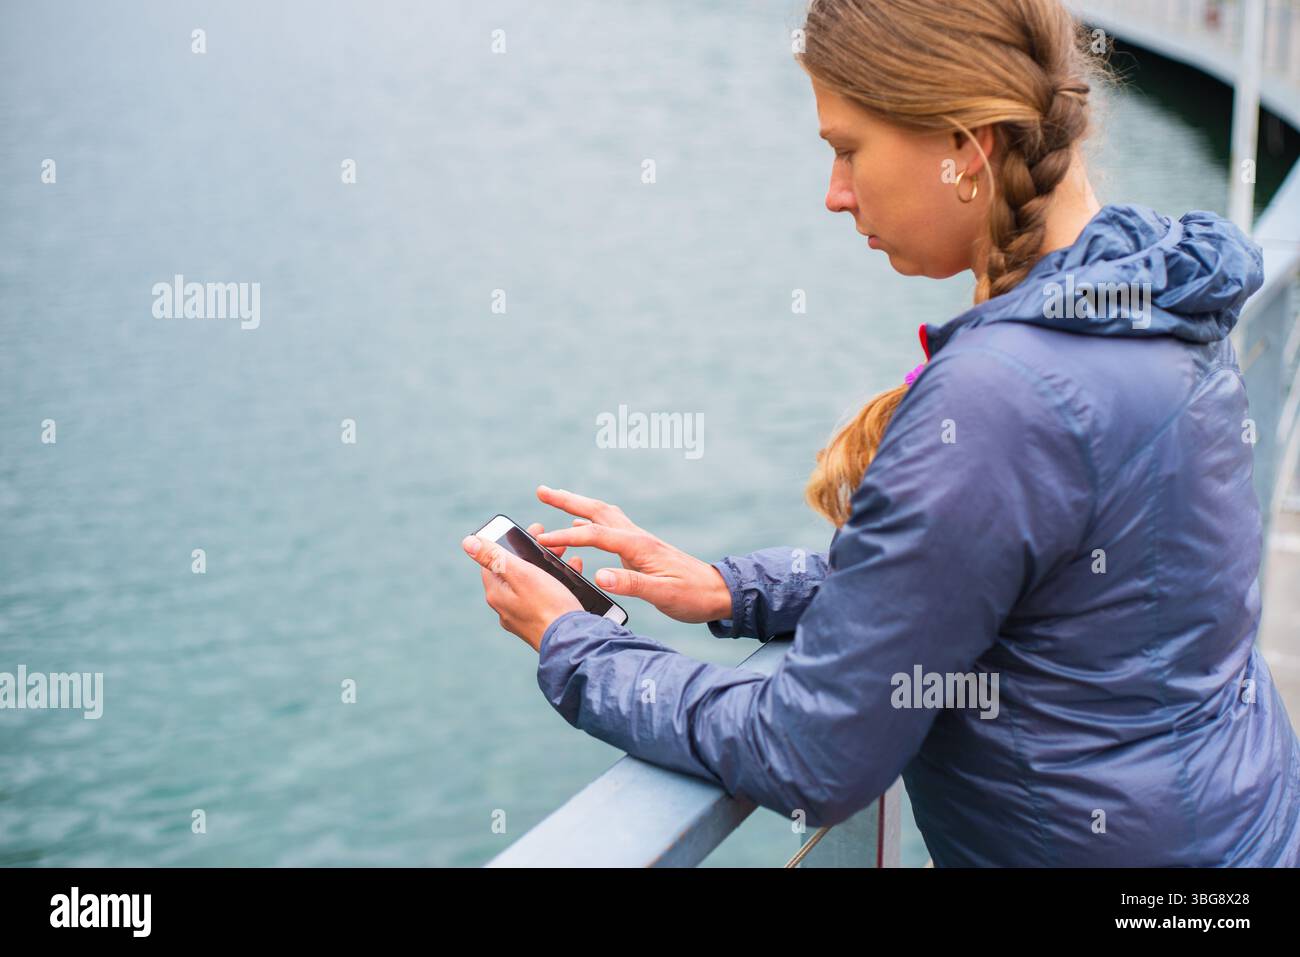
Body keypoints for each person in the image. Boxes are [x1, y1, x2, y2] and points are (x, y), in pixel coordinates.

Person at [461, 0, 1300, 866]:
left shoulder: (1000, 397)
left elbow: (809, 749)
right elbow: (1024, 597)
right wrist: (732, 589)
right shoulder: (1154, 301)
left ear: (963, 147)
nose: (835, 194)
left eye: (847, 148)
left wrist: (580, 646)